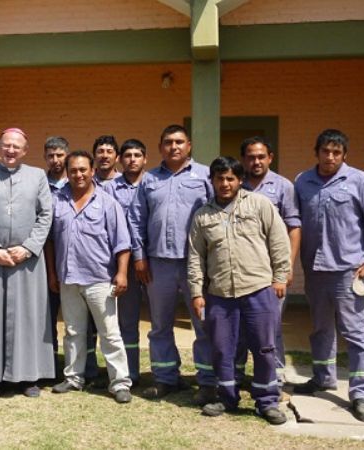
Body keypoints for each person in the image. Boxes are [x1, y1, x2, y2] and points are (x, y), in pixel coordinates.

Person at [293, 129, 364, 423]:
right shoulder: (303, 181)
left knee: (354, 332)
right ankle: (323, 377)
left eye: (336, 152)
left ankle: (361, 394)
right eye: (325, 151)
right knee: (320, 328)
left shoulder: (359, 181)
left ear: (344, 155)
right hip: (315, 270)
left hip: (348, 271)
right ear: (316, 152)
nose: (330, 157)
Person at [188, 156, 290, 425]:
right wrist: (197, 292)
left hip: (258, 289)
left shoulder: (259, 204)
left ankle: (267, 401)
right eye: (220, 178)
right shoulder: (202, 215)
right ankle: (227, 398)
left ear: (239, 180)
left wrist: (280, 278)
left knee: (264, 348)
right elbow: (196, 258)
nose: (225, 183)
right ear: (212, 181)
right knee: (223, 349)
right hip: (220, 294)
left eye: (230, 178)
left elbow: (279, 242)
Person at [128, 124, 216, 402]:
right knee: (160, 325)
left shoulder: (205, 176)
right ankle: (166, 378)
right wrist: (140, 257)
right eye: (168, 142)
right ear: (160, 147)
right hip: (158, 264)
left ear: (189, 145)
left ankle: (207, 381)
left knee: (203, 324)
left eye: (179, 142)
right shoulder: (149, 179)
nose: (174, 146)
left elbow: (216, 216)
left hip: (196, 263)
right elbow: (136, 219)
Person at [0, 128, 55, 399]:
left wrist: (28, 248)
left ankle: (28, 376)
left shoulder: (37, 176)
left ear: (25, 150)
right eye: (6, 145)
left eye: (16, 146)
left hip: (27, 261)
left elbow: (46, 215)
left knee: (29, 317)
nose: (11, 150)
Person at [46, 150, 133, 403]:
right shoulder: (57, 201)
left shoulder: (107, 203)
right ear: (67, 173)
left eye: (83, 169)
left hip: (100, 279)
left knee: (109, 333)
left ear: (92, 171)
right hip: (68, 278)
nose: (78, 174)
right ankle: (74, 378)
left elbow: (122, 242)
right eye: (73, 170)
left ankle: (120, 383)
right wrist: (52, 273)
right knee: (73, 332)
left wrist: (122, 273)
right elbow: (50, 241)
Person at [235, 137, 301, 386]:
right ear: (243, 159)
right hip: (240, 271)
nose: (256, 161)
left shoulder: (283, 186)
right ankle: (236, 375)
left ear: (270, 158)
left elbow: (293, 228)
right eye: (251, 157)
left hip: (271, 272)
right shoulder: (235, 185)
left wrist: (287, 268)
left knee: (270, 327)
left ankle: (275, 375)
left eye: (261, 156)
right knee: (239, 327)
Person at [102, 139, 148, 384]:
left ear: (145, 159)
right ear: (121, 159)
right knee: (126, 321)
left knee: (161, 320)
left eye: (137, 155)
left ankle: (166, 374)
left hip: (153, 261)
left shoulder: (153, 183)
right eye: (128, 155)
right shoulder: (109, 188)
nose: (132, 159)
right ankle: (130, 371)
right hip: (124, 263)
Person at [44, 136, 69, 364]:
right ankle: (49, 362)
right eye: (51, 156)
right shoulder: (39, 184)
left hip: (72, 257)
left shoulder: (78, 182)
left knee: (75, 317)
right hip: (44, 259)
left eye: (60, 155)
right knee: (47, 313)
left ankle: (80, 364)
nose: (55, 160)